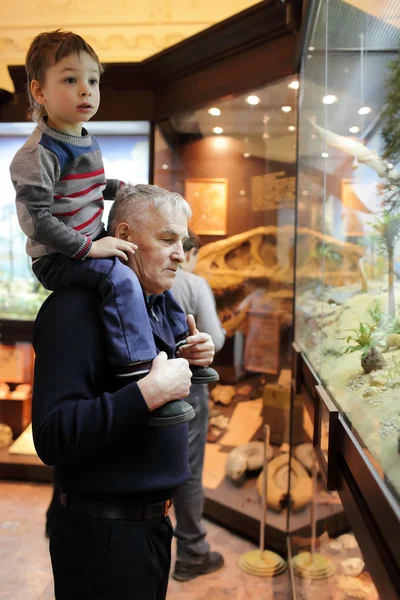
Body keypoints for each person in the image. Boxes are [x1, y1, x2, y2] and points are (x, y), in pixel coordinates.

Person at [10, 30, 217, 428]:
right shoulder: (37, 155)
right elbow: (36, 220)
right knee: (122, 278)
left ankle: (181, 345)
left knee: (152, 283)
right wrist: (90, 248)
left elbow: (83, 186)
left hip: (88, 237)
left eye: (92, 80)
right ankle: (138, 371)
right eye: (70, 80)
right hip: (60, 256)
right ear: (39, 90)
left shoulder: (84, 140)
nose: (85, 90)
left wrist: (119, 189)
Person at [32, 183, 217, 599]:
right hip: (103, 537)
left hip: (149, 527)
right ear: (126, 238)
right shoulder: (73, 309)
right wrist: (147, 394)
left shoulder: (154, 303)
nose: (180, 255)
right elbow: (52, 436)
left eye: (182, 242)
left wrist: (193, 355)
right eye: (167, 239)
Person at [171, 231, 226, 581]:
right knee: (189, 470)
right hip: (187, 388)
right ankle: (192, 551)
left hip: (146, 384)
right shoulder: (193, 283)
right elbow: (216, 340)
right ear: (188, 252)